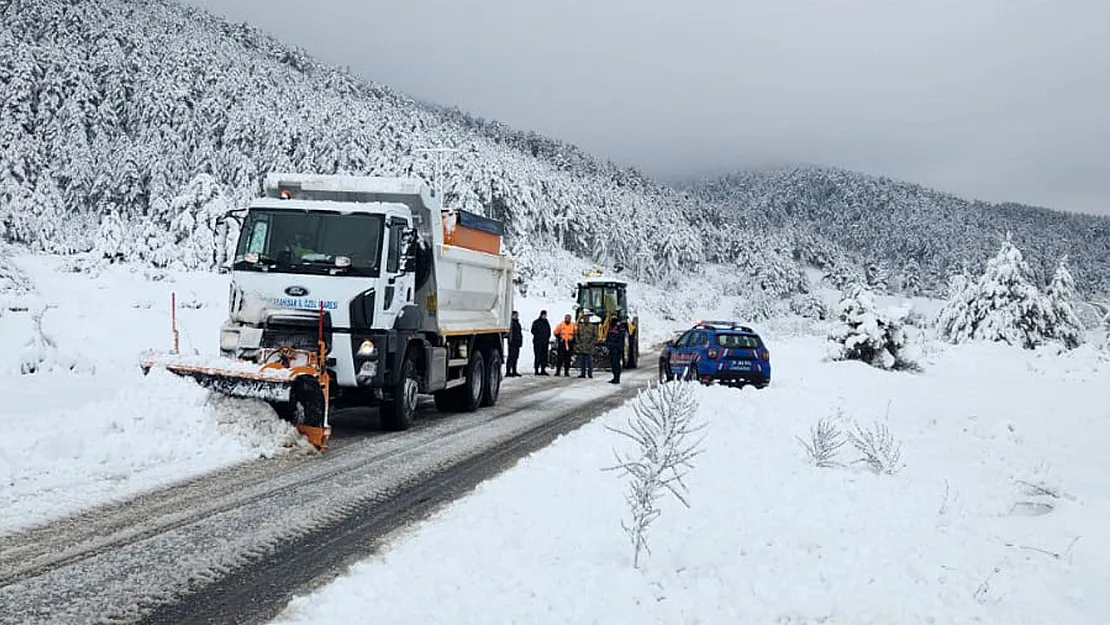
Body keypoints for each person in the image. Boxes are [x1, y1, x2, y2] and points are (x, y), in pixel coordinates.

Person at [606, 317, 626, 384]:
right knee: (613, 364)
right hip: (612, 350)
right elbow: (608, 338)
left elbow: (619, 342)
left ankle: (617, 378)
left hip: (616, 350)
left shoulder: (620, 331)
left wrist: (611, 345)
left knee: (616, 364)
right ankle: (615, 377)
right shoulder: (611, 330)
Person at [531, 310, 551, 375]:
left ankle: (543, 370)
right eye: (543, 315)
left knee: (544, 357)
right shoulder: (536, 322)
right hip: (538, 342)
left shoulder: (546, 322)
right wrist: (539, 336)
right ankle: (536, 370)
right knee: (538, 356)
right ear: (541, 315)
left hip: (545, 342)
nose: (544, 316)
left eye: (545, 315)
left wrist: (547, 338)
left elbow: (548, 331)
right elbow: (533, 331)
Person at [506, 310, 523, 377]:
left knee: (516, 357)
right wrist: (511, 340)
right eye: (515, 315)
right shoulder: (511, 323)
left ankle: (514, 371)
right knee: (511, 357)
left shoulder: (517, 323)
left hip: (517, 343)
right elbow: (510, 334)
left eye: (517, 315)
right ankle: (508, 371)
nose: (516, 316)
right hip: (512, 343)